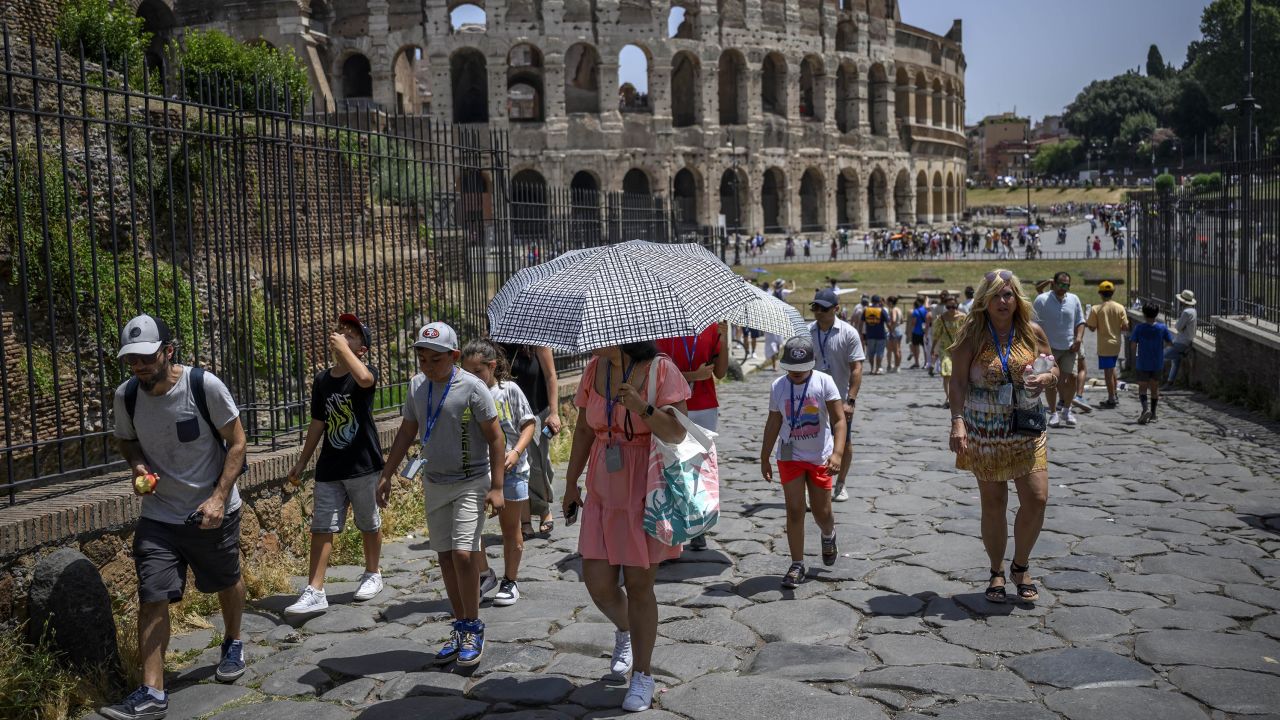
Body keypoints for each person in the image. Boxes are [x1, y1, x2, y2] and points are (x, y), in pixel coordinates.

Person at [103, 315, 249, 720]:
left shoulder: (204, 386)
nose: (139, 367)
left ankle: (234, 640)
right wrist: (137, 468)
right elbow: (126, 441)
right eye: (131, 360)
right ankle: (152, 691)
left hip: (210, 511)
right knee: (152, 595)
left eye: (146, 358)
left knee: (225, 579)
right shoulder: (126, 396)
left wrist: (219, 498)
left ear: (168, 351)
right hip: (160, 516)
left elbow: (237, 442)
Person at [561, 341, 690, 712]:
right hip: (604, 482)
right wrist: (571, 482)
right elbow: (585, 431)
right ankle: (626, 632)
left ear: (620, 333)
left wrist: (642, 407)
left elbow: (677, 433)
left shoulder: (661, 370)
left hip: (645, 483)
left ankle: (643, 675)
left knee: (639, 585)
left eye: (596, 332)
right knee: (597, 582)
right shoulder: (593, 369)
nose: (587, 340)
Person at [379, 322, 506, 667]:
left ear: (452, 357)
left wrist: (496, 487)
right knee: (446, 558)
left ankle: (474, 627)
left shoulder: (473, 388)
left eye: (434, 359)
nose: (427, 366)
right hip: (434, 482)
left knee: (465, 555)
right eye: (421, 358)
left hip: (471, 481)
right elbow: (407, 431)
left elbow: (496, 438)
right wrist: (387, 474)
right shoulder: (417, 387)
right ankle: (460, 624)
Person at [947, 269, 1058, 605]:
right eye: (995, 295)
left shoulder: (1032, 332)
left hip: (1026, 428)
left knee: (1037, 499)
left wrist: (1046, 379)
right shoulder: (972, 336)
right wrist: (957, 421)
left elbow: (1054, 369)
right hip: (986, 430)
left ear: (1017, 299)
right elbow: (958, 383)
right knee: (994, 504)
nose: (1002, 301)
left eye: (1008, 295)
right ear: (984, 300)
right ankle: (996, 570)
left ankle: (1020, 565)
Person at [285, 314, 385, 617]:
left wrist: (347, 352)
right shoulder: (322, 380)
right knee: (322, 527)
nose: (341, 335)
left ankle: (373, 573)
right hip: (330, 465)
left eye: (351, 336)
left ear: (362, 350)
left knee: (369, 522)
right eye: (340, 332)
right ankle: (315, 590)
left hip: (363, 464)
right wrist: (303, 461)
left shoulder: (365, 374)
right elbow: (318, 423)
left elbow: (365, 379)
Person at [760, 336, 846, 589]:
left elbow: (839, 420)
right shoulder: (778, 386)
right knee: (795, 510)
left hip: (821, 456)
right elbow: (774, 421)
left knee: (822, 512)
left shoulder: (824, 382)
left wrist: (838, 454)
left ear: (812, 364)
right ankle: (797, 563)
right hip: (790, 457)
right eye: (792, 369)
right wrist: (765, 456)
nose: (796, 374)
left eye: (801, 369)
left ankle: (828, 534)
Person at [461, 340, 537, 606]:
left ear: (492, 366)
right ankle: (484, 574)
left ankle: (510, 580)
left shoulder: (509, 391)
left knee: (510, 529)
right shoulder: (465, 394)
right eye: (466, 372)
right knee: (472, 529)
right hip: (478, 471)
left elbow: (528, 425)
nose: (471, 377)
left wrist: (515, 453)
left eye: (477, 371)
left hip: (511, 471)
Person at [656, 322, 728, 551]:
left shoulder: (711, 328)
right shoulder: (663, 327)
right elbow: (658, 371)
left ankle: (700, 526)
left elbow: (721, 372)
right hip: (671, 406)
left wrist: (724, 340)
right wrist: (692, 375)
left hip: (704, 406)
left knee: (700, 467)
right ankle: (672, 523)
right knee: (672, 465)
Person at [501, 344, 562, 539]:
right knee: (518, 468)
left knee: (538, 467)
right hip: (508, 416)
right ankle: (526, 521)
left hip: (537, 412)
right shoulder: (495, 345)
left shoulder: (537, 343)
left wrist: (554, 412)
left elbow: (551, 376)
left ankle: (543, 509)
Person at [808, 289, 863, 503]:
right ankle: (815, 484)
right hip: (812, 398)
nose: (818, 312)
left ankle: (840, 483)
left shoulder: (848, 333)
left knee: (844, 442)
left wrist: (851, 400)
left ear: (836, 309)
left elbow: (856, 368)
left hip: (839, 399)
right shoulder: (807, 331)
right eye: (815, 308)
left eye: (823, 308)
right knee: (812, 440)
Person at [1032, 272, 1086, 428]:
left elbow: (1080, 321)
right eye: (1061, 284)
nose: (1064, 288)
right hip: (1048, 348)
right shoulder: (1042, 300)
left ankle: (1067, 410)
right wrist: (1038, 345)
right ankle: (1054, 412)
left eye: (1067, 285)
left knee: (1073, 378)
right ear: (1053, 283)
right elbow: (1034, 324)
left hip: (1069, 346)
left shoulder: (1074, 299)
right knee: (1050, 381)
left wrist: (1078, 339)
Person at [1130, 304, 1174, 425]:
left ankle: (1145, 409)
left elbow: (1133, 345)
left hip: (1143, 362)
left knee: (1142, 388)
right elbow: (1170, 343)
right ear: (1157, 314)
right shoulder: (1162, 328)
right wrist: (1161, 347)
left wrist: (1136, 355)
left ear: (1144, 314)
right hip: (1157, 362)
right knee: (1155, 388)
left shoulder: (1139, 328)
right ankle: (1154, 414)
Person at [932, 296, 965, 409]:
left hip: (960, 349)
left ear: (957, 305)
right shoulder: (941, 318)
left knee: (961, 374)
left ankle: (960, 396)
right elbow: (936, 335)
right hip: (945, 349)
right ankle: (949, 397)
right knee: (947, 372)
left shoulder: (963, 318)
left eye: (954, 306)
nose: (951, 309)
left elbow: (968, 334)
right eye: (949, 307)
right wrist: (933, 349)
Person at [1165, 289, 1198, 386]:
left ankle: (1183, 354)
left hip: (1182, 341)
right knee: (1175, 362)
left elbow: (1178, 327)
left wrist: (1177, 324)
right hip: (1187, 339)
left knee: (1162, 355)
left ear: (1182, 302)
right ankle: (1169, 383)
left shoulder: (1186, 312)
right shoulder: (1193, 311)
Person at [860, 295, 889, 375]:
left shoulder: (866, 310)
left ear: (871, 301)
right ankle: (877, 368)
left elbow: (861, 322)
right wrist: (891, 330)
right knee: (880, 352)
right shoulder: (882, 310)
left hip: (870, 335)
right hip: (881, 335)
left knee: (871, 353)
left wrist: (860, 332)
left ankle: (872, 368)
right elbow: (887, 322)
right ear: (879, 301)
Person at [908, 297, 929, 369]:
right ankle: (926, 362)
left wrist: (910, 330)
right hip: (924, 332)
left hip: (916, 332)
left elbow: (914, 322)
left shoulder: (916, 311)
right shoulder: (926, 310)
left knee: (916, 348)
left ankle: (917, 362)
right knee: (925, 348)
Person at [886, 296, 904, 373]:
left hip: (894, 330)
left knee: (896, 350)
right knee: (898, 349)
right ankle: (898, 365)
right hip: (899, 329)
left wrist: (890, 327)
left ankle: (897, 367)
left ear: (890, 302)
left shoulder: (893, 310)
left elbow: (893, 319)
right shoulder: (899, 309)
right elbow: (902, 320)